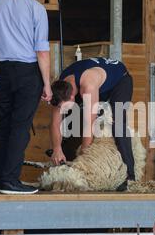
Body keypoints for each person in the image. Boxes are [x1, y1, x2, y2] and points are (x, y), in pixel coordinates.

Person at [0, 0, 52, 195]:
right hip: (27, 72)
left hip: (1, 71)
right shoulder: (36, 8)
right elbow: (41, 51)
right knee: (20, 127)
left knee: (0, 125)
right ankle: (11, 180)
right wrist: (47, 84)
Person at [49, 57, 135, 191]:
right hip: (96, 81)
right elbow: (55, 123)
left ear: (72, 96)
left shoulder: (88, 86)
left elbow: (89, 125)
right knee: (70, 121)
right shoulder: (61, 88)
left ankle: (130, 177)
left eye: (64, 105)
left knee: (118, 125)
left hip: (120, 80)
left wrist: (83, 158)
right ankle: (63, 162)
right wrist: (56, 148)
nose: (62, 108)